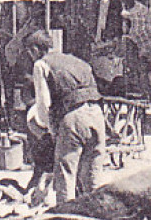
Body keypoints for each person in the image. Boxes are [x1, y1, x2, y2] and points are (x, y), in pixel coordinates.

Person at [25, 29, 106, 204]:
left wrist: (51, 130)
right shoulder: (76, 61)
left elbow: (43, 105)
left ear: (34, 50)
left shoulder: (41, 65)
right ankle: (98, 218)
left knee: (66, 176)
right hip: (97, 115)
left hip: (74, 118)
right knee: (92, 178)